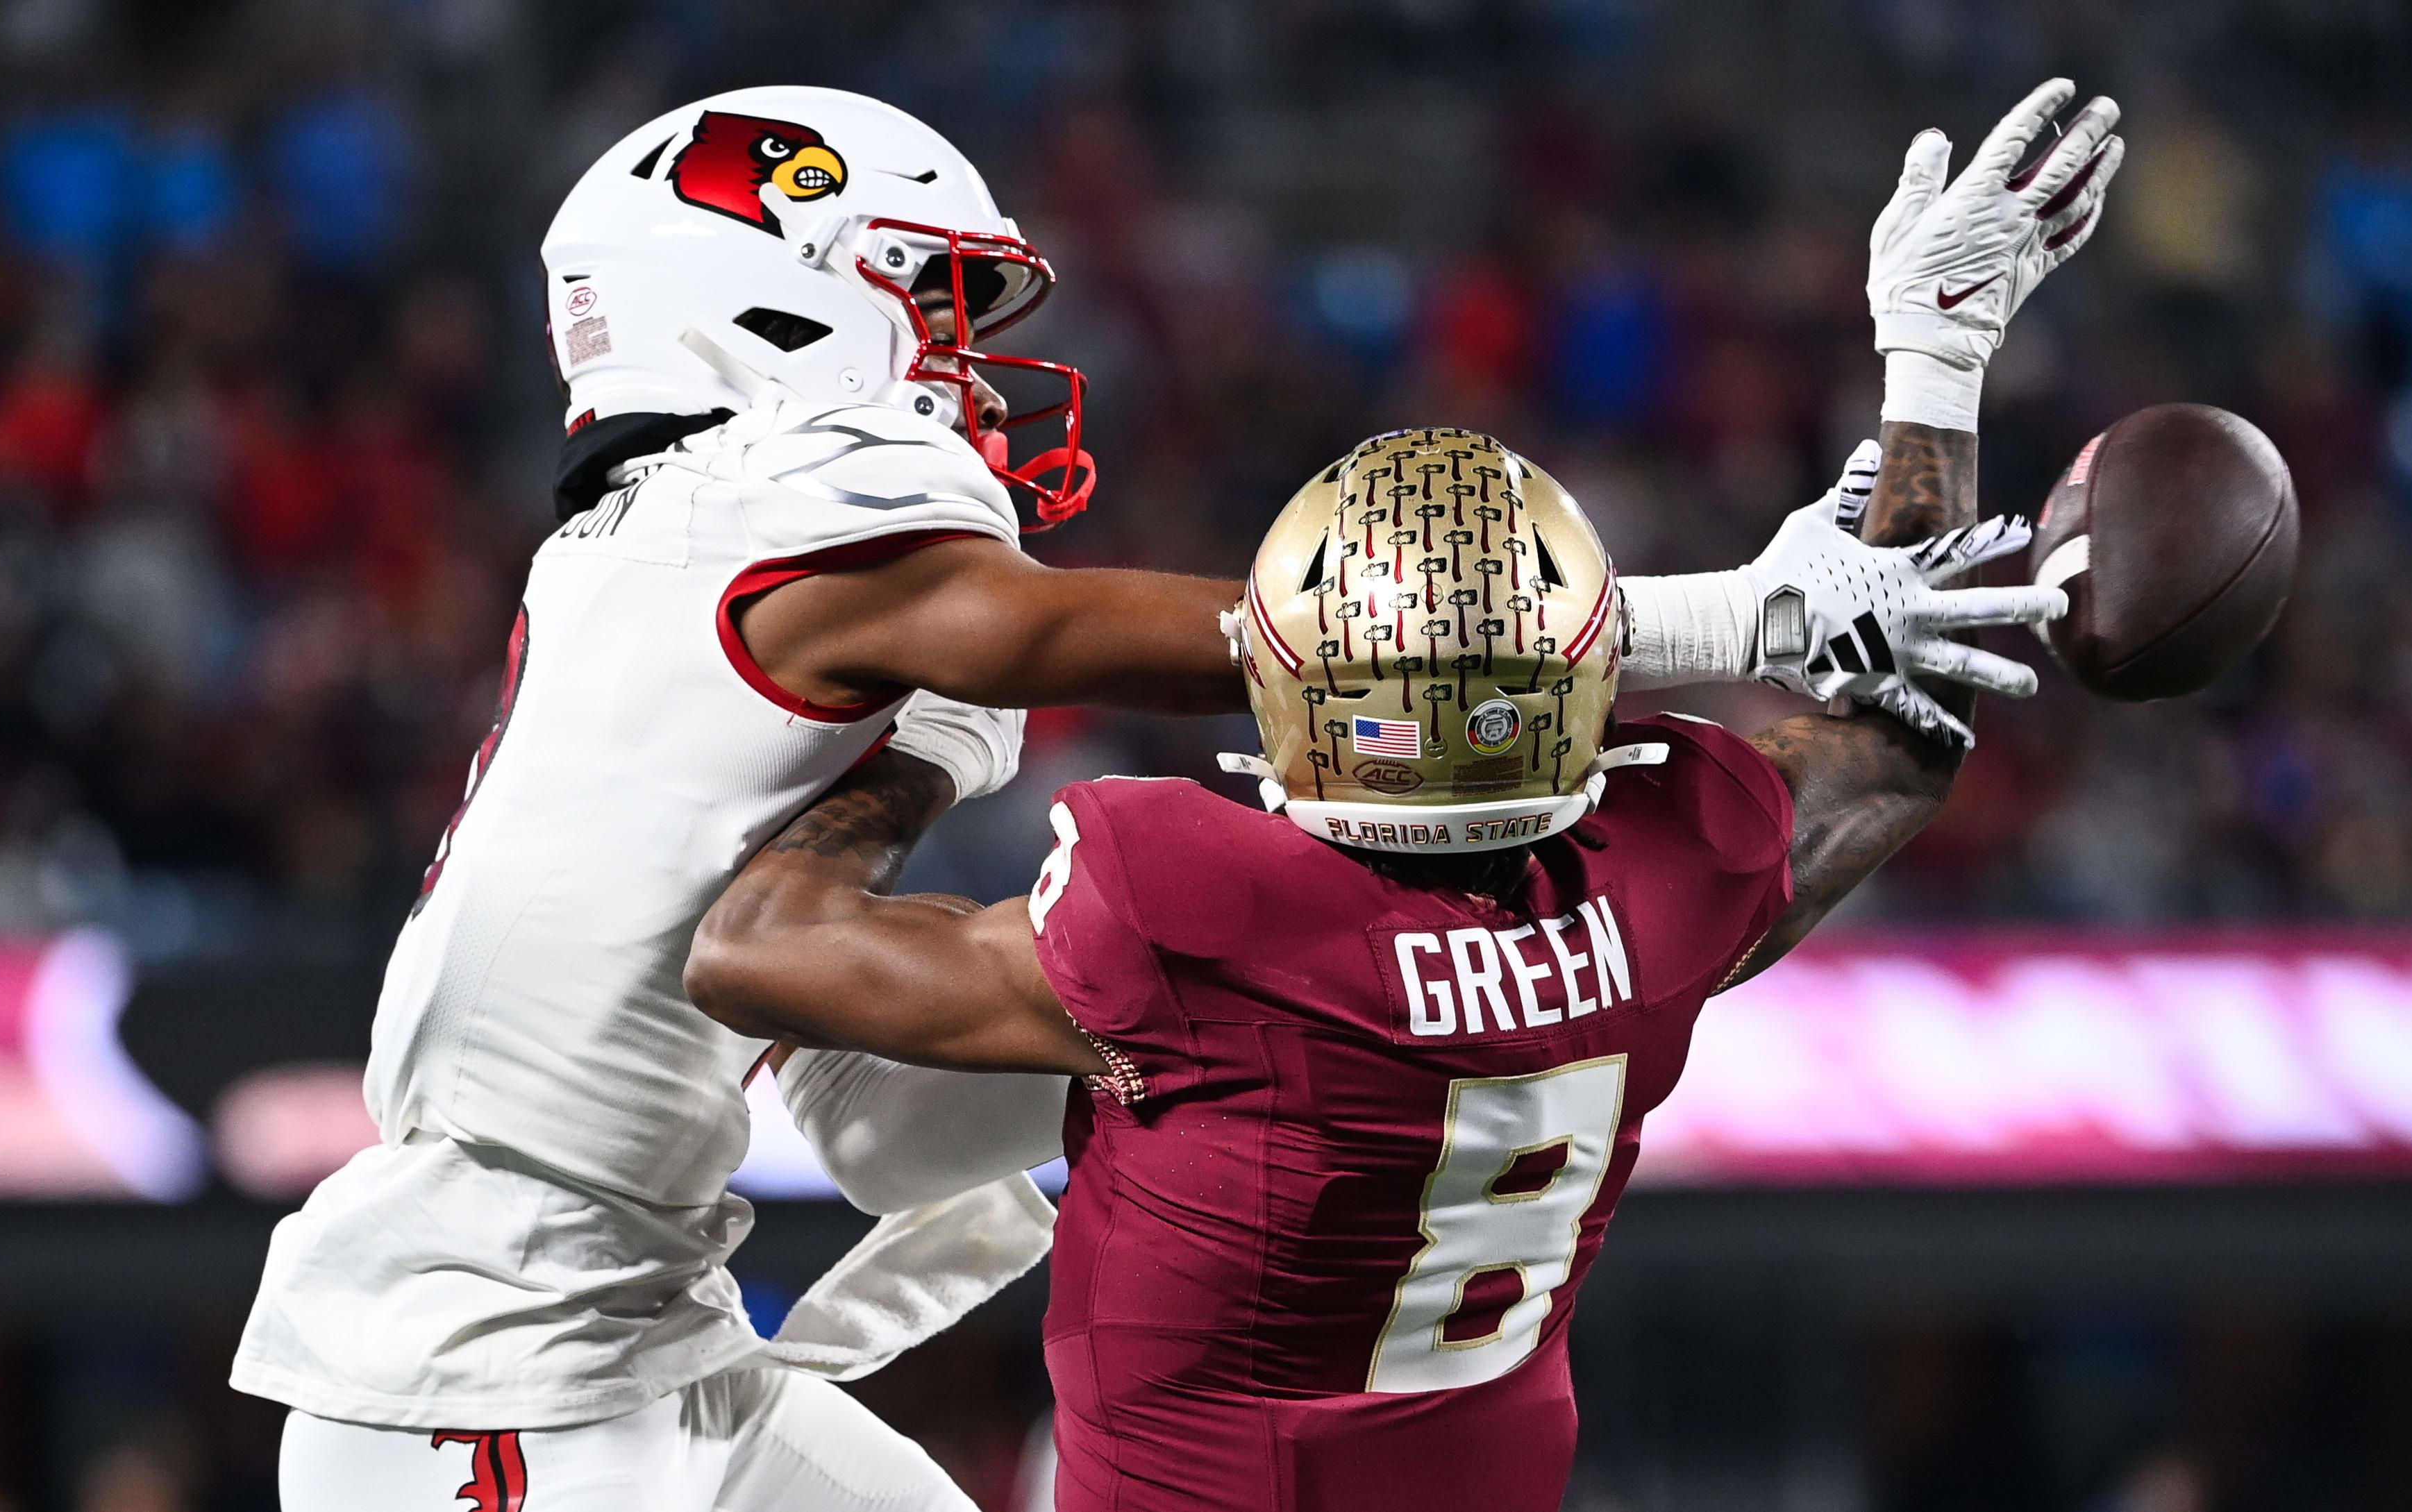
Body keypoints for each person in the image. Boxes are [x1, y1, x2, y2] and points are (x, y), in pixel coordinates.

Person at [229, 81, 2027, 1511]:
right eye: (924, 302)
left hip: (615, 1322)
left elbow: (847, 1094)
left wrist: (1082, 1036)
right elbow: (1170, 641)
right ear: (757, 302)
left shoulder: (708, 571)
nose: (960, 359)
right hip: (497, 1364)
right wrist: (1746, 603)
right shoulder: (759, 499)